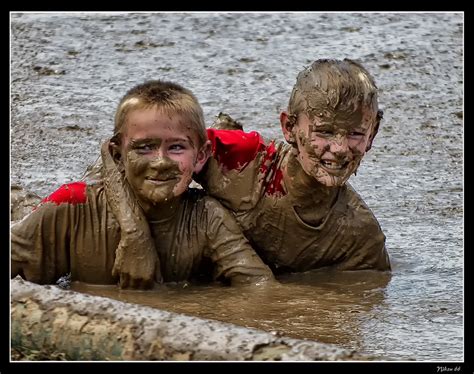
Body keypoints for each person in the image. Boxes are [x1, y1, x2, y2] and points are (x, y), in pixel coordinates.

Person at [11, 80, 274, 289]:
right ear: (117, 155)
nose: (160, 161)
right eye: (145, 147)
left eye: (177, 147)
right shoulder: (72, 206)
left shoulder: (207, 217)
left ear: (201, 156)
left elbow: (261, 289)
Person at [196, 58, 391, 274]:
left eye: (356, 133)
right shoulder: (240, 161)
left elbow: (355, 297)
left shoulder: (361, 237)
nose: (340, 148)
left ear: (372, 134)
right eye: (324, 131)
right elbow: (161, 148)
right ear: (289, 127)